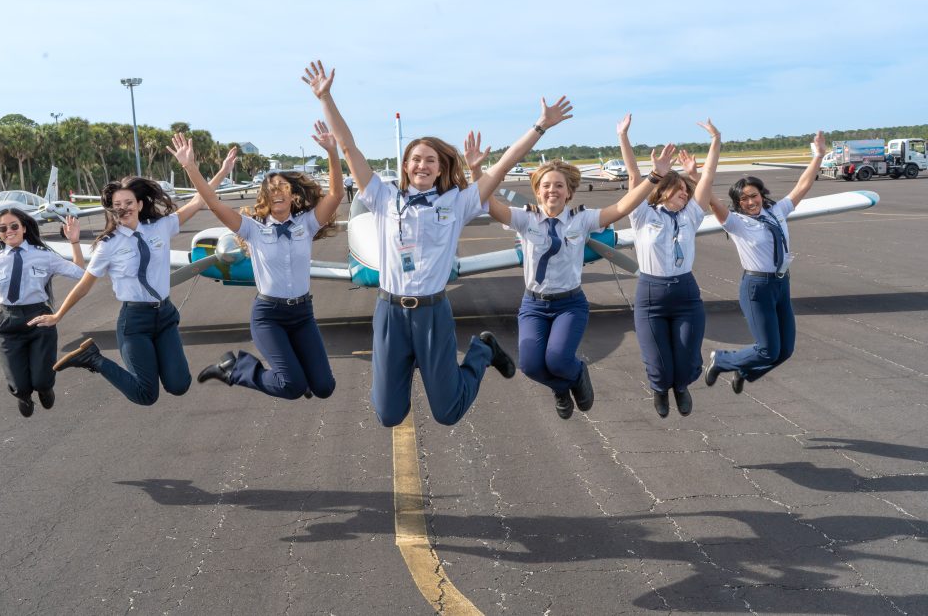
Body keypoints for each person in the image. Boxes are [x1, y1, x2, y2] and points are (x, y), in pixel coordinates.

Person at [303, 59, 570, 427]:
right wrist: (326, 98)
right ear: (406, 166)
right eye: (415, 159)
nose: (422, 165)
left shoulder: (457, 202)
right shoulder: (382, 196)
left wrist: (539, 126)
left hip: (432, 312)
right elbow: (350, 149)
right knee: (388, 414)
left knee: (447, 413)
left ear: (441, 168)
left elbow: (504, 166)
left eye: (430, 160)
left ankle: (482, 350)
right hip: (391, 313)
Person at [466, 129, 674, 419]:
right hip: (534, 305)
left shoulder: (582, 219)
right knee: (531, 366)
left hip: (569, 305)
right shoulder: (525, 218)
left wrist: (655, 176)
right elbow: (487, 203)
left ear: (569, 192)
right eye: (546, 186)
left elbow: (622, 207)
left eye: (559, 186)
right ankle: (562, 388)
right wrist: (476, 170)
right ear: (537, 191)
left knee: (558, 359)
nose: (552, 190)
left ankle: (576, 374)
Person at [28, 150, 236, 406]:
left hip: (166, 316)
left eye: (128, 203)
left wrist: (212, 170)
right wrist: (58, 315)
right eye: (117, 205)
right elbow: (84, 286)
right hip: (135, 322)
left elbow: (198, 201)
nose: (123, 208)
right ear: (112, 211)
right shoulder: (108, 245)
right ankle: (93, 358)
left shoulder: (160, 226)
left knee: (179, 385)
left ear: (138, 204)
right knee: (146, 395)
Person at [174, 125, 344, 400]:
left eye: (283, 187)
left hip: (302, 314)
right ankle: (235, 369)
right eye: (271, 188)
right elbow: (214, 203)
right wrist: (191, 167)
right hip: (269, 316)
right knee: (292, 387)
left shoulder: (307, 224)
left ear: (292, 195)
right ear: (264, 197)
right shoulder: (252, 229)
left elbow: (335, 195)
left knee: (325, 388)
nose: (277, 192)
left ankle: (302, 374)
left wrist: (332, 153)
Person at [703, 131, 826, 393]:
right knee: (768, 349)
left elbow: (803, 185)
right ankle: (722, 360)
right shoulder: (738, 223)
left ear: (762, 194)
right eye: (743, 199)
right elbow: (713, 203)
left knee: (785, 351)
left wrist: (818, 156)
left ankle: (744, 370)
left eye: (754, 195)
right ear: (737, 203)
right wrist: (697, 177)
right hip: (756, 287)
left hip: (781, 284)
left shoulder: (777, 211)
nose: (750, 202)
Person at [618, 114, 721, 417]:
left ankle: (681, 386)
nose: (685, 195)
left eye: (687, 192)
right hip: (651, 294)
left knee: (688, 359)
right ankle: (661, 389)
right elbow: (634, 177)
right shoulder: (642, 215)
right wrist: (623, 136)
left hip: (686, 293)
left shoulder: (691, 215)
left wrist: (716, 140)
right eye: (680, 190)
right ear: (663, 191)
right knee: (658, 362)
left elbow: (709, 178)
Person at [0, 210, 85, 417]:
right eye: (3, 228)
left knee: (42, 379)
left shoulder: (44, 255)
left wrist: (74, 243)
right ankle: (23, 395)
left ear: (24, 228)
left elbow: (79, 274)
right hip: (8, 322)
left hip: (39, 317)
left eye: (14, 226)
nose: (9, 231)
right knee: (19, 384)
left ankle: (44, 388)